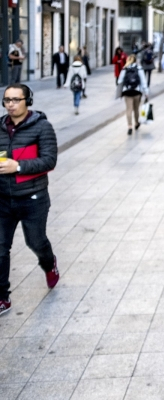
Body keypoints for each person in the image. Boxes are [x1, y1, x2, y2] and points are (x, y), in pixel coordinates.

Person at [0, 84, 60, 316]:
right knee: (1, 248)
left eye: (16, 100)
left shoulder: (42, 127)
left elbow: (49, 161)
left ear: (28, 101)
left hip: (33, 198)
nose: (11, 105)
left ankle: (48, 263)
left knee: (35, 242)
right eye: (7, 100)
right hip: (3, 199)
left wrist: (19, 166)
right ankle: (2, 298)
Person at [117, 55, 149, 135]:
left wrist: (120, 92)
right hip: (137, 92)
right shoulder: (139, 68)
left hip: (127, 92)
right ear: (135, 61)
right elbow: (143, 81)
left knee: (129, 109)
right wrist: (146, 92)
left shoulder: (124, 69)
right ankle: (136, 123)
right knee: (136, 109)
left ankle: (129, 126)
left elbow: (119, 81)